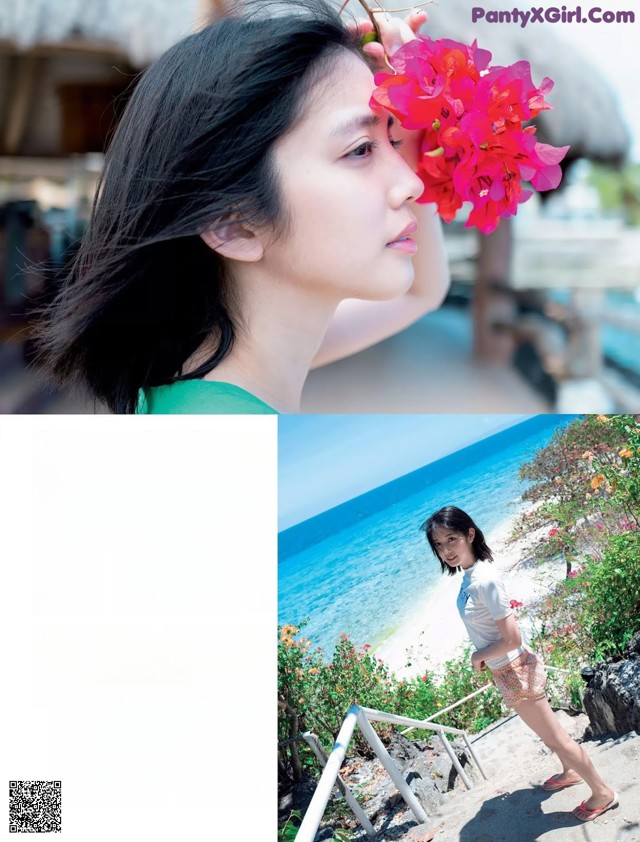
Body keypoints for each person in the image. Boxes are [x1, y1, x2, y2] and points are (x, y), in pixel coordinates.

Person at [37, 0, 449, 414]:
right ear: (234, 225)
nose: (412, 184)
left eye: (392, 143)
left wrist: (416, 123)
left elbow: (421, 292)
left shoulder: (207, 370)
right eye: (360, 150)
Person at [420, 505, 619, 823]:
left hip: (515, 669)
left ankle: (602, 792)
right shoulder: (472, 574)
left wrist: (477, 656)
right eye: (439, 545)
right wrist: (485, 653)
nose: (446, 550)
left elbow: (512, 638)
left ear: (470, 534)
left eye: (451, 539)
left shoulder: (484, 579)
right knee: (548, 733)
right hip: (507, 669)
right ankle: (570, 771)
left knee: (556, 736)